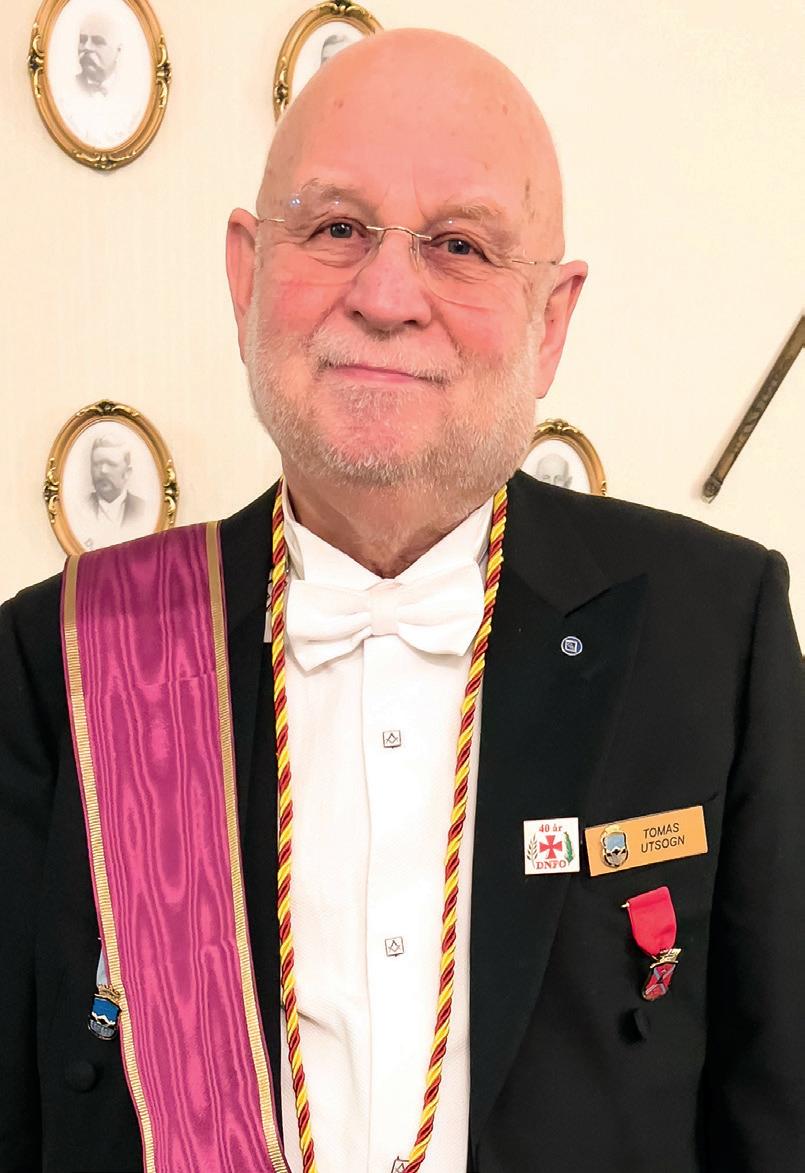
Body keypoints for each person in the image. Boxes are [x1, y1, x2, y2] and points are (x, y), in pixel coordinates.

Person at [1, 27, 803, 1173]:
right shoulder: (65, 656)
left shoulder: (716, 634)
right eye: (335, 228)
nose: (385, 297)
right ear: (247, 275)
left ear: (551, 321)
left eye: (460, 245)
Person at [78, 431, 149, 549]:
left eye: (111, 464)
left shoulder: (143, 510)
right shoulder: (79, 509)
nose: (103, 470)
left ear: (127, 473)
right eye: (97, 464)